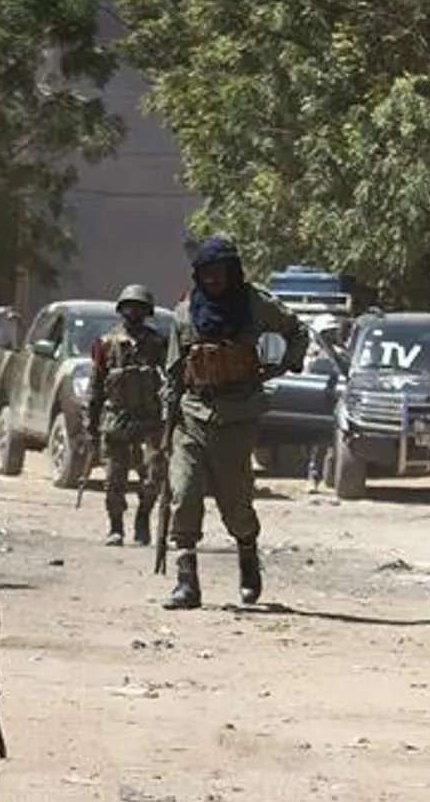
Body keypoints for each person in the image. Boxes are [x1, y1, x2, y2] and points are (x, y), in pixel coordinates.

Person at [161, 237, 308, 610]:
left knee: (235, 503)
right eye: (205, 273)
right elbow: (173, 373)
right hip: (192, 415)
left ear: (232, 272)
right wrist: (166, 426)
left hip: (237, 415)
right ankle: (186, 582)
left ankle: (247, 555)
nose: (212, 279)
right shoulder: (184, 313)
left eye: (219, 272)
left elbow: (297, 331)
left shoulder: (254, 305)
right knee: (185, 492)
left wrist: (285, 363)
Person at [85, 285, 169, 547]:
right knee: (114, 479)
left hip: (150, 420)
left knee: (154, 475)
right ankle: (116, 527)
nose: (135, 312)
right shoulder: (105, 343)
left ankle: (143, 519)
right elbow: (96, 385)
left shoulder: (158, 344)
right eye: (130, 306)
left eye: (140, 307)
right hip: (115, 420)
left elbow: (170, 381)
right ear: (121, 310)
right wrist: (91, 424)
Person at [303, 314, 348, 494]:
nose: (330, 336)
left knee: (335, 443)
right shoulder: (310, 355)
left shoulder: (342, 353)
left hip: (337, 402)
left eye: (332, 332)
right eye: (327, 333)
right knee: (317, 443)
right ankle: (313, 477)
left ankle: (327, 476)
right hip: (316, 403)